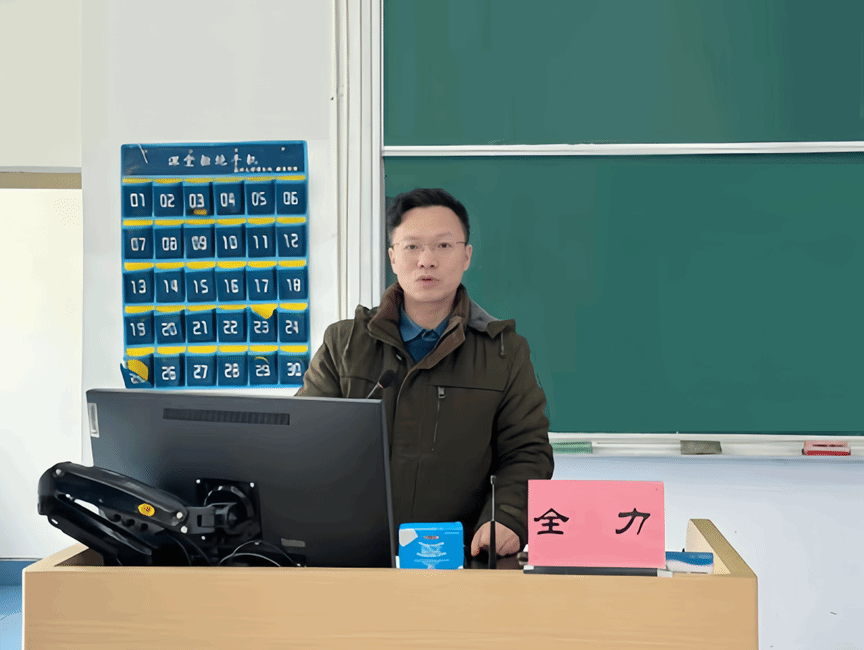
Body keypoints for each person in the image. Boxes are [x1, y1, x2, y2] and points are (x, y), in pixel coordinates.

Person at [297, 188, 553, 558]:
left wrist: (507, 518)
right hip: (351, 557)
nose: (426, 260)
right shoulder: (346, 344)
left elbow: (527, 453)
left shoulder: (503, 351)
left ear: (466, 256)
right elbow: (304, 443)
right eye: (412, 246)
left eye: (443, 246)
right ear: (393, 257)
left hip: (464, 557)